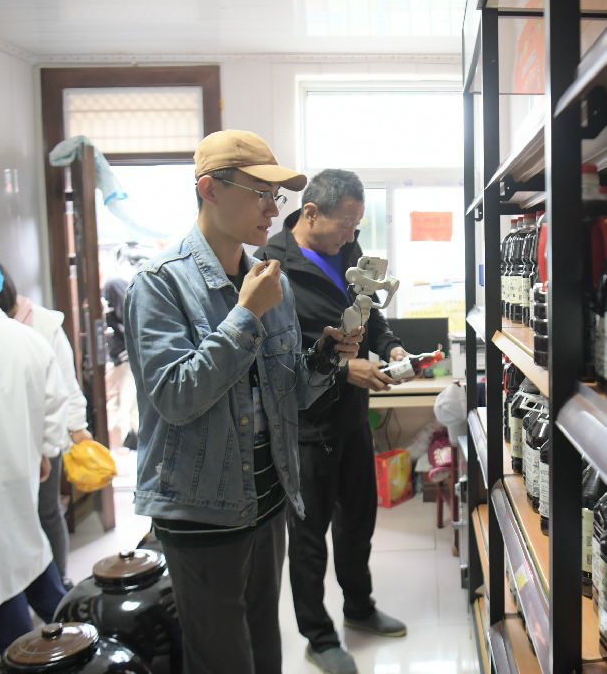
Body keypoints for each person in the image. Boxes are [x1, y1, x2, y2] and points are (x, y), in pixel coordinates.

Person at [123, 130, 363, 674]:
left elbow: (289, 394)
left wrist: (324, 358)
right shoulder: (159, 285)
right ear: (209, 189)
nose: (272, 209)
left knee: (263, 649)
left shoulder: (268, 279)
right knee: (223, 659)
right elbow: (176, 397)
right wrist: (246, 314)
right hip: (201, 511)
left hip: (267, 500)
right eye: (259, 193)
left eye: (275, 196)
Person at [260, 168, 408, 674]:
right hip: (306, 428)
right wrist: (346, 369)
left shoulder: (348, 253)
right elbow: (277, 356)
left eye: (357, 225)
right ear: (311, 213)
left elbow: (369, 314)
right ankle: (318, 637)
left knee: (357, 523)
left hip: (351, 419)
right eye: (345, 223)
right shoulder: (271, 268)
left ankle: (359, 608)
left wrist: (390, 346)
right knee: (308, 540)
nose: (352, 234)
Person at [0, 248, 69, 652]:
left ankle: (28, 658)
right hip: (21, 475)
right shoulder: (30, 341)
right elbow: (55, 406)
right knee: (30, 559)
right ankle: (80, 644)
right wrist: (44, 451)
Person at [0, 260, 94, 590]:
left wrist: (77, 429)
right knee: (9, 519)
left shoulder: (43, 324)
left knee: (46, 512)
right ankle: (23, 586)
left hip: (42, 438)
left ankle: (57, 580)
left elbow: (65, 382)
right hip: (1, 440)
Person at [102, 246, 139, 451]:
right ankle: (124, 446)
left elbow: (130, 318)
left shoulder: (114, 283)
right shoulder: (115, 284)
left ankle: (122, 447)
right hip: (122, 355)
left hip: (123, 356)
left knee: (124, 403)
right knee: (125, 403)